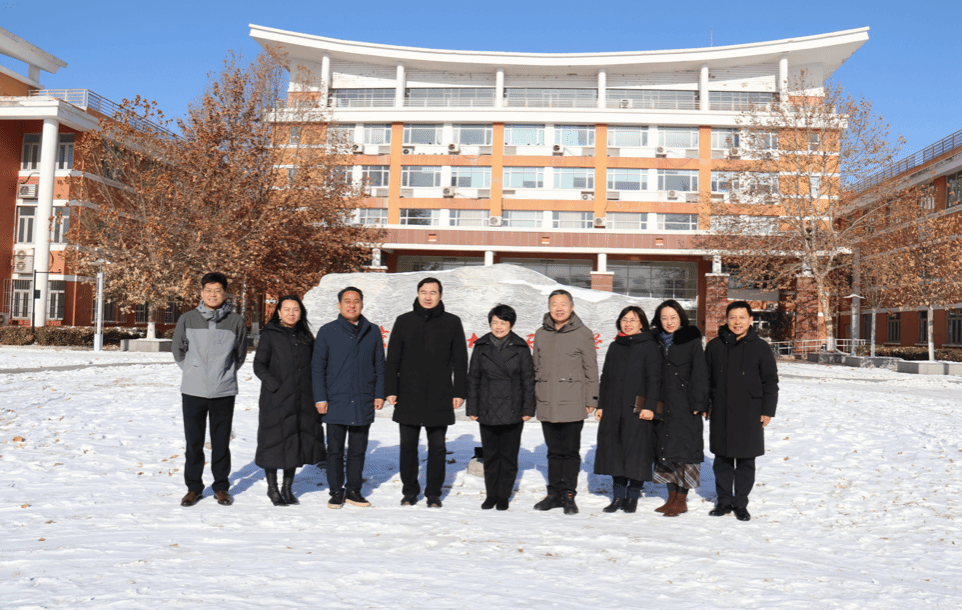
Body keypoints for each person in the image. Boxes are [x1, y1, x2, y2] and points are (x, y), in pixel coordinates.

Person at [385, 277, 468, 508]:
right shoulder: (404, 321)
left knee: (438, 447)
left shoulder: (452, 322)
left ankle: (433, 493)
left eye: (433, 292)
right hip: (408, 394)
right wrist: (391, 389)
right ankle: (409, 491)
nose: (428, 296)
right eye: (423, 291)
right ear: (417, 294)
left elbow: (460, 360)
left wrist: (459, 391)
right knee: (408, 446)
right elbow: (392, 359)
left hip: (439, 394)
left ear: (440, 295)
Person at [172, 272, 248, 507]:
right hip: (193, 390)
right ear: (201, 292)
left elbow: (240, 354)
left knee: (221, 442)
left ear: (225, 294)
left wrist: (224, 371)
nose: (212, 295)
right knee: (193, 442)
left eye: (217, 291)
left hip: (224, 390)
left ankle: (221, 487)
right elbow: (178, 350)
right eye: (208, 290)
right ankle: (193, 488)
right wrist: (192, 371)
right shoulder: (187, 318)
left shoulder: (235, 321)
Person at [313, 287, 385, 509]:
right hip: (335, 399)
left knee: (357, 450)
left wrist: (379, 393)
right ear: (339, 305)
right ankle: (336, 491)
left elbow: (380, 365)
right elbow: (318, 367)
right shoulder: (327, 331)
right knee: (334, 450)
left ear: (362, 304)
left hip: (363, 398)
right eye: (347, 301)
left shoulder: (372, 331)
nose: (352, 305)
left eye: (356, 301)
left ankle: (354, 491)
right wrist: (320, 397)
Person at [706, 300, 779, 522]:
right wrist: (705, 405)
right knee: (723, 459)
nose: (737, 322)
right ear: (727, 320)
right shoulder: (715, 346)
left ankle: (740, 502)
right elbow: (705, 379)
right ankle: (723, 500)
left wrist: (767, 410)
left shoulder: (760, 347)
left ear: (750, 320)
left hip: (750, 411)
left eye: (742, 317)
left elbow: (770, 382)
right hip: (721, 410)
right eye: (733, 317)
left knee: (746, 460)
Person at [532, 289, 599, 515]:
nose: (558, 308)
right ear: (548, 307)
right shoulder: (541, 333)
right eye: (554, 304)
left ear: (572, 307)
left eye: (563, 304)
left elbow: (591, 368)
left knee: (569, 451)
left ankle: (569, 493)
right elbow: (535, 367)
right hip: (547, 400)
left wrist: (592, 398)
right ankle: (553, 493)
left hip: (573, 400)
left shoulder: (583, 333)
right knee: (553, 451)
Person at [252, 294, 323, 506]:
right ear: (279, 312)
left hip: (302, 399)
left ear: (301, 313)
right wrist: (274, 385)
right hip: (275, 399)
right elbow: (259, 365)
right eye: (287, 309)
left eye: (296, 309)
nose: (291, 313)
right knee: (273, 442)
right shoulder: (270, 334)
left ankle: (287, 488)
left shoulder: (306, 336)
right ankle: (272, 488)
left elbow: (316, 365)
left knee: (294, 442)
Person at [466, 304, 535, 511]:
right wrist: (472, 408)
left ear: (511, 325)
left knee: (508, 455)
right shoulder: (481, 346)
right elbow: (473, 378)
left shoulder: (521, 347)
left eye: (503, 322)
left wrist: (528, 409)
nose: (498, 326)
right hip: (487, 406)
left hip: (513, 407)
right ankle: (491, 494)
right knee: (490, 455)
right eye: (495, 322)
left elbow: (528, 380)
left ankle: (504, 495)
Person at [593, 306, 660, 514]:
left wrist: (650, 407)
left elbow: (655, 379)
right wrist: (601, 405)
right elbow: (605, 377)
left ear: (642, 324)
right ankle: (618, 496)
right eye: (624, 319)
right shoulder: (615, 346)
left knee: (637, 452)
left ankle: (632, 496)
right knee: (615, 451)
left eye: (633, 320)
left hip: (638, 407)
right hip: (614, 406)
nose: (628, 323)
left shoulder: (650, 345)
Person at [651, 299, 708, 517]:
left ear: (681, 318)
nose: (669, 322)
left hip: (685, 404)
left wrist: (699, 403)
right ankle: (671, 496)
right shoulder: (654, 340)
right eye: (664, 318)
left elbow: (700, 372)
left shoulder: (691, 340)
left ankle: (682, 499)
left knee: (685, 450)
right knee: (665, 450)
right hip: (661, 403)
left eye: (673, 317)